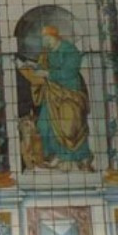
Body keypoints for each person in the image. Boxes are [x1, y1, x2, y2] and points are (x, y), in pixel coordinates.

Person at [26, 26, 93, 171]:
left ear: (53, 36)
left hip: (70, 93)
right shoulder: (47, 52)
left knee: (69, 128)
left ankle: (73, 159)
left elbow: (70, 71)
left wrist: (48, 74)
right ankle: (55, 156)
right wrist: (33, 66)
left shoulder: (69, 50)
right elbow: (42, 66)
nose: (43, 41)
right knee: (44, 125)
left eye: (45, 38)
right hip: (52, 93)